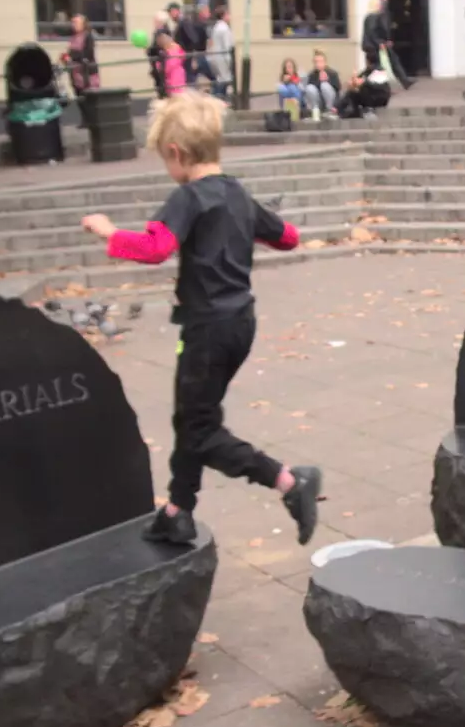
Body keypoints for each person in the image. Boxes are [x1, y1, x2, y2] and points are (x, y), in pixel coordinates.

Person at [79, 92, 323, 546]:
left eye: (164, 159)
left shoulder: (188, 197)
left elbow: (155, 248)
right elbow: (288, 237)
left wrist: (110, 232)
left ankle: (288, 482)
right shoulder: (237, 193)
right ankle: (178, 511)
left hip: (207, 329)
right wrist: (247, 226)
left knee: (199, 428)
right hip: (239, 325)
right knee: (193, 417)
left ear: (176, 153)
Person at [376, 0, 413, 89]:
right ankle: (402, 81)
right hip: (382, 41)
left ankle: (404, 81)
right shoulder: (382, 5)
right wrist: (387, 39)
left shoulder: (379, 4)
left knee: (391, 61)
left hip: (380, 40)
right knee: (388, 62)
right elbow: (384, 24)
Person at [61, 13, 99, 97]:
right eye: (73, 22)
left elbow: (88, 53)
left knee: (88, 98)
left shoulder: (88, 36)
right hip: (75, 75)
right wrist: (65, 57)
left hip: (87, 76)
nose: (73, 25)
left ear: (83, 24)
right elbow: (70, 51)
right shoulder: (74, 37)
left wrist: (72, 57)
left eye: (76, 23)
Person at [301, 51, 341, 116]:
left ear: (325, 62)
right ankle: (316, 111)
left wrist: (328, 80)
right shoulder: (312, 75)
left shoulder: (332, 73)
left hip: (331, 101)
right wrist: (319, 81)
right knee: (309, 87)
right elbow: (309, 91)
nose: (318, 64)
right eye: (316, 62)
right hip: (319, 101)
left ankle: (329, 110)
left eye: (320, 61)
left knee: (324, 85)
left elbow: (338, 88)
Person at [209, 7, 234, 100]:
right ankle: (219, 98)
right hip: (222, 58)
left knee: (220, 79)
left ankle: (218, 97)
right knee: (224, 80)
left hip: (216, 56)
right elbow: (227, 45)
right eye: (228, 14)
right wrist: (229, 60)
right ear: (224, 16)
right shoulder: (224, 29)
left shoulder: (216, 27)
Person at [157, 30, 187, 97]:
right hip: (178, 77)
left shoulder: (170, 53)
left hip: (173, 80)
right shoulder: (177, 50)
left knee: (176, 96)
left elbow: (167, 67)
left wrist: (159, 65)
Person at [360, 0, 386, 75]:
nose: (380, 6)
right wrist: (379, 43)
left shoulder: (367, 17)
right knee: (376, 67)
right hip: (372, 46)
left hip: (368, 46)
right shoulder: (373, 16)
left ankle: (360, 80)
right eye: (378, 5)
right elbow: (372, 32)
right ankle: (360, 79)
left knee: (371, 67)